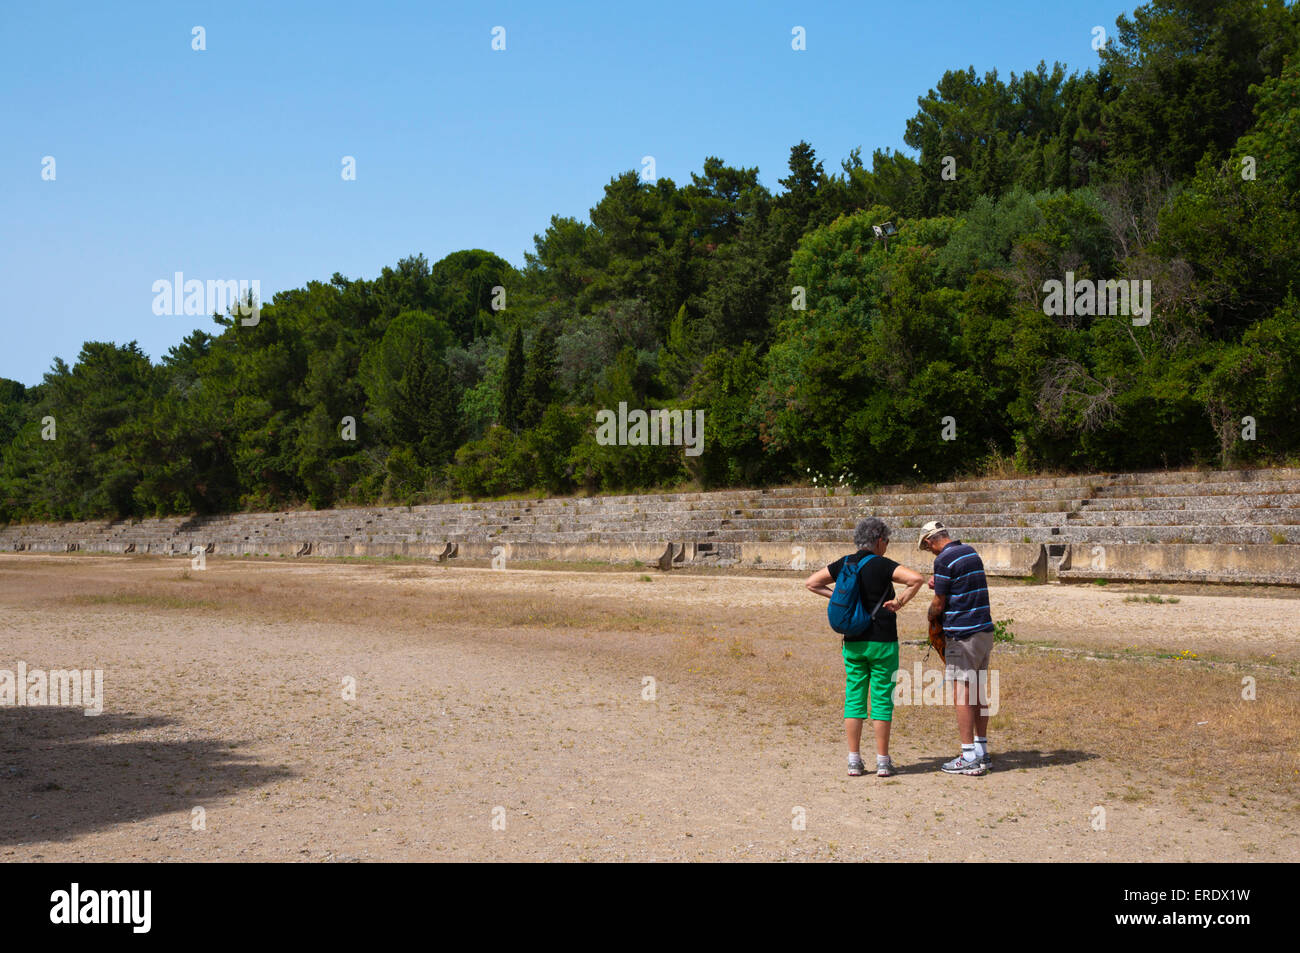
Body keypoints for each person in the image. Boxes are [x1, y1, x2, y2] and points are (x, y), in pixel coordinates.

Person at [805, 517, 924, 778]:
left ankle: (854, 760)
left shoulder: (845, 563)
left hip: (853, 640)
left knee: (854, 697)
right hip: (882, 640)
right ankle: (883, 760)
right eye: (887, 541)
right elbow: (916, 579)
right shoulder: (883, 565)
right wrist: (900, 602)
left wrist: (837, 596)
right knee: (882, 699)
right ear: (879, 540)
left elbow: (812, 583)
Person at [918, 520, 994, 777]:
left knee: (961, 691)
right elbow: (961, 586)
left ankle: (968, 754)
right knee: (978, 690)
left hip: (963, 633)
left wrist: (929, 616)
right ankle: (982, 750)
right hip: (984, 629)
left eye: (927, 548)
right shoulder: (971, 551)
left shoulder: (943, 560)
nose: (930, 552)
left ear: (930, 542)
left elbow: (939, 604)